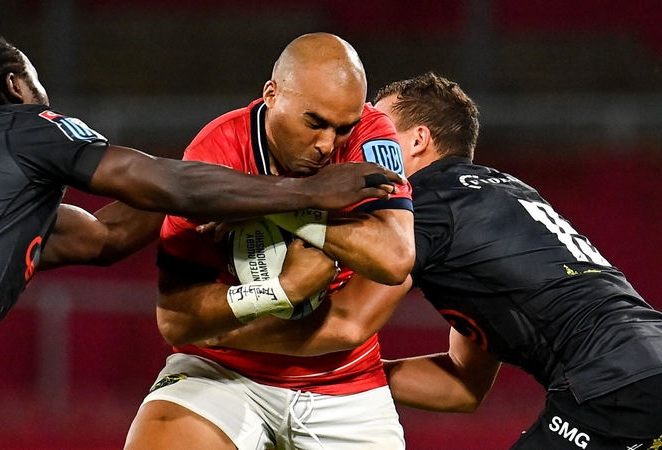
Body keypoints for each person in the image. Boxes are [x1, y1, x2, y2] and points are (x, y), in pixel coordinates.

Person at [0, 31, 400, 450]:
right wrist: (305, 195)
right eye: (36, 82)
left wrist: (227, 199)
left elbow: (106, 237)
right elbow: (162, 182)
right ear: (15, 86)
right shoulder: (21, 125)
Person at [207, 72, 662, 449]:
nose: (359, 143)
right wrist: (355, 381)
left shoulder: (427, 204)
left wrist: (221, 337)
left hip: (613, 382)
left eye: (378, 129)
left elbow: (346, 322)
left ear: (418, 139)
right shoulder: (498, 196)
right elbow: (461, 384)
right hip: (640, 367)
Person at [123, 32, 415, 450]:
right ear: (272, 94)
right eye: (314, 122)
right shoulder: (216, 154)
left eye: (342, 128)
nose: (326, 145)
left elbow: (395, 257)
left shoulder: (371, 133)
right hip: (222, 373)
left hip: (343, 379)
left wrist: (272, 206)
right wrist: (281, 290)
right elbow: (176, 321)